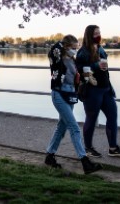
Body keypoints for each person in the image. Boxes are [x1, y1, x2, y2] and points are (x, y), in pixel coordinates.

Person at [44, 34, 102, 174]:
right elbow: (53, 49)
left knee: (61, 128)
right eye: (73, 48)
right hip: (58, 94)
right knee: (74, 127)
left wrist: (89, 78)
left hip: (70, 95)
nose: (75, 50)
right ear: (66, 47)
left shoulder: (73, 60)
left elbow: (79, 74)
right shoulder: (57, 58)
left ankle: (49, 156)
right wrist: (63, 44)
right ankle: (85, 162)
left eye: (76, 48)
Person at [76, 25, 120, 158]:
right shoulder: (83, 51)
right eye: (95, 33)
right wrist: (96, 65)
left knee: (112, 116)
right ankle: (88, 148)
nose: (98, 35)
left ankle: (113, 148)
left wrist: (110, 87)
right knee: (91, 118)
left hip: (106, 89)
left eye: (99, 33)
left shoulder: (100, 48)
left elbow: (105, 69)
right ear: (89, 35)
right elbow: (80, 68)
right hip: (92, 90)